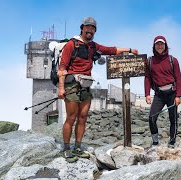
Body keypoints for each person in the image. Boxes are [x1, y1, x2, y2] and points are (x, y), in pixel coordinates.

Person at [58, 16, 138, 162]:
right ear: (82, 28)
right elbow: (62, 67)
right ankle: (66, 148)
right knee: (71, 117)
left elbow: (111, 50)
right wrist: (61, 88)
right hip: (71, 85)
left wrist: (131, 50)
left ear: (95, 31)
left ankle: (77, 147)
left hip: (86, 85)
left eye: (93, 28)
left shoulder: (93, 46)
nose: (90, 30)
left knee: (83, 117)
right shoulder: (71, 44)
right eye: (87, 27)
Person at [144, 35, 181, 148]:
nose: (160, 46)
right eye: (157, 44)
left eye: (162, 44)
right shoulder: (149, 61)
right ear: (154, 46)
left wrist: (178, 95)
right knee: (152, 117)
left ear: (165, 46)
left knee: (173, 118)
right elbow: (147, 78)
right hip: (159, 94)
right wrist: (147, 94)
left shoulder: (173, 60)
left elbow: (179, 79)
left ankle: (172, 142)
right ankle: (155, 142)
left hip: (172, 93)